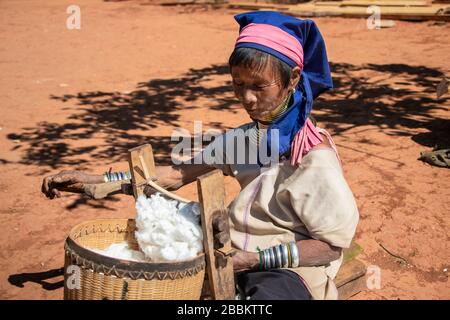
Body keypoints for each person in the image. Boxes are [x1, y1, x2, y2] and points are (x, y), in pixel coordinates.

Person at [41, 11, 359, 300]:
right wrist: (97, 182)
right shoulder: (245, 139)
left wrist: (257, 260)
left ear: (292, 78)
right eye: (238, 84)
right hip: (234, 253)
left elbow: (330, 247)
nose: (247, 98)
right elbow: (177, 175)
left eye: (259, 86)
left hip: (291, 269)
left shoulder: (313, 158)